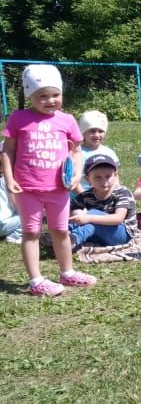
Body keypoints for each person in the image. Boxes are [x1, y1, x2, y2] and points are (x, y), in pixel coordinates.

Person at [2, 64, 96, 295]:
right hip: (28, 188)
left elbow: (76, 150)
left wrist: (76, 174)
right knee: (31, 232)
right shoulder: (19, 118)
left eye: (55, 94)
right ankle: (36, 281)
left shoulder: (67, 120)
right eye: (42, 96)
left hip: (59, 188)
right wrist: (9, 176)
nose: (50, 100)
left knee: (60, 230)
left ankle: (68, 273)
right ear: (30, 95)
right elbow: (8, 151)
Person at [69, 154, 138, 249]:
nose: (104, 181)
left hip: (122, 235)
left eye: (108, 176)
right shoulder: (86, 195)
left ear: (115, 176)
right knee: (91, 221)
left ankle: (72, 240)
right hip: (97, 234)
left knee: (93, 214)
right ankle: (63, 235)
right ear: (88, 179)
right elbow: (73, 210)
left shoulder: (122, 192)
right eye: (98, 177)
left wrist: (88, 218)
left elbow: (118, 218)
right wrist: (79, 214)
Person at [77, 110, 118, 192]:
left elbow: (115, 176)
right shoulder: (77, 153)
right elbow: (73, 180)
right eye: (92, 131)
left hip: (105, 196)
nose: (96, 135)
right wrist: (84, 197)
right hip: (81, 196)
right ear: (83, 133)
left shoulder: (109, 153)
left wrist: (113, 193)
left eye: (100, 131)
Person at [0, 141, 23, 244]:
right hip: (2, 224)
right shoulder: (10, 180)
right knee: (31, 215)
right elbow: (16, 203)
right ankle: (14, 236)